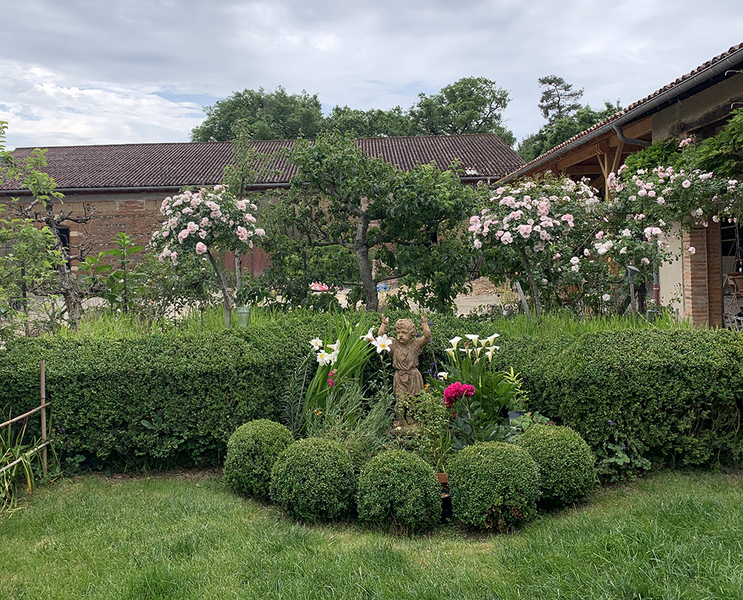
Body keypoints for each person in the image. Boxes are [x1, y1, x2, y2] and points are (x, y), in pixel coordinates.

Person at [378, 313, 431, 427]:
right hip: (400, 376)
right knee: (400, 400)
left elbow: (427, 337)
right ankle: (400, 419)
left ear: (411, 334)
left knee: (413, 400)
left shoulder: (415, 345)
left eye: (404, 333)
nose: (400, 335)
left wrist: (424, 323)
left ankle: (411, 418)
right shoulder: (393, 344)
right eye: (398, 333)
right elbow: (381, 336)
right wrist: (384, 324)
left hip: (413, 376)